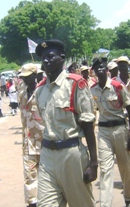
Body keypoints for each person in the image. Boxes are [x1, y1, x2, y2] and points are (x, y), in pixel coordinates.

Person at [35, 39, 98, 206]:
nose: (46, 60)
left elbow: (87, 124)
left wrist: (94, 163)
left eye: (50, 56)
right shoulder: (40, 90)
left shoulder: (75, 84)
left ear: (62, 58)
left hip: (71, 154)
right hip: (47, 154)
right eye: (43, 58)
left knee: (81, 203)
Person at [90, 57, 130, 207]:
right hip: (103, 131)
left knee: (125, 167)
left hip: (120, 129)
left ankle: (128, 198)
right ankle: (105, 203)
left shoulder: (118, 87)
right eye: (97, 68)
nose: (100, 70)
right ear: (95, 72)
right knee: (105, 169)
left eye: (103, 67)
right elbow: (92, 112)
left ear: (107, 70)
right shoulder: (93, 90)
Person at [18, 63, 44, 207]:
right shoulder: (22, 94)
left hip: (45, 142)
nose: (25, 80)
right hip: (29, 144)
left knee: (48, 178)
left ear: (35, 76)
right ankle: (32, 202)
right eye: (23, 77)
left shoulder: (43, 92)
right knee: (29, 177)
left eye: (28, 77)